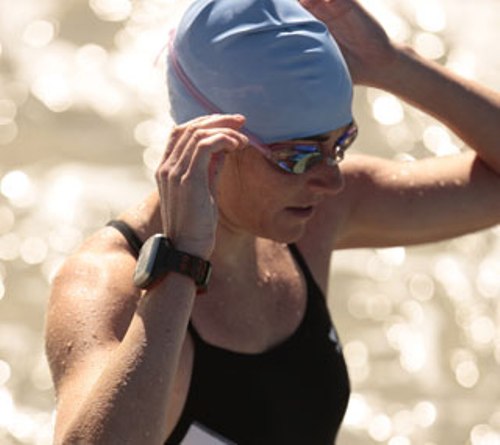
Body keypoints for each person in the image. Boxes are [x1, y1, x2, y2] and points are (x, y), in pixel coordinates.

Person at [45, 0, 500, 443]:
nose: (332, 180)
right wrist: (182, 263)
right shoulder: (108, 286)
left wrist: (395, 66)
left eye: (339, 145)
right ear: (211, 147)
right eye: (298, 156)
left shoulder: (316, 218)